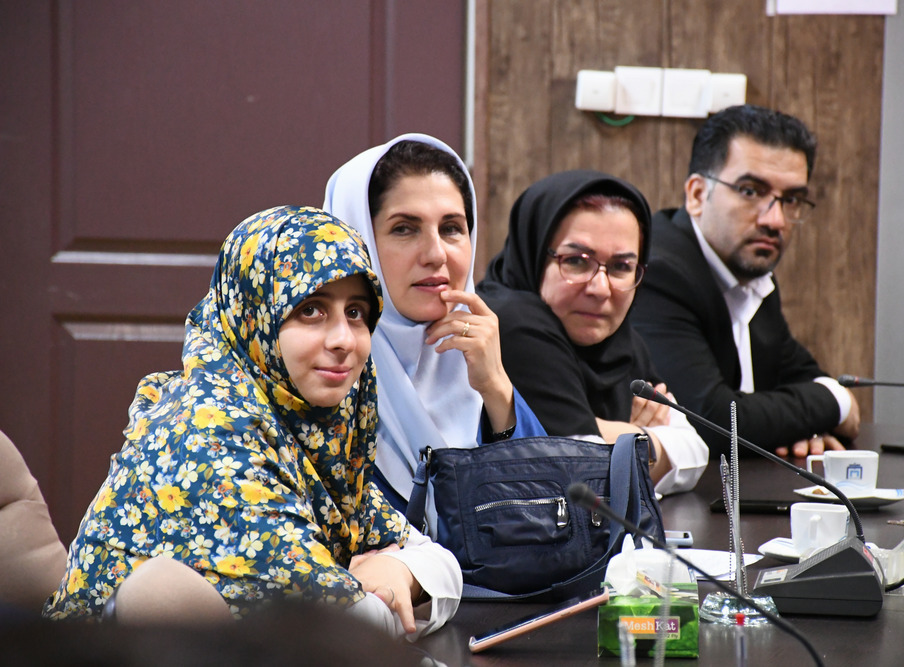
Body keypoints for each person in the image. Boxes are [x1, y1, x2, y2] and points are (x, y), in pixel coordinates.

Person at [43, 206, 461, 639]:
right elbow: (348, 636)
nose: (343, 339)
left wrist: (398, 571)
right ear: (254, 315)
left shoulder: (308, 429)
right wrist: (377, 591)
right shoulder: (209, 435)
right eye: (311, 310)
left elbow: (441, 565)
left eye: (356, 313)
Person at [323, 134, 546, 523]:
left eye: (452, 228)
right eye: (404, 229)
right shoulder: (320, 369)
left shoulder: (477, 361)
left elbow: (546, 514)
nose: (436, 254)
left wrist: (497, 388)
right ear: (357, 239)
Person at [630, 104, 860, 458]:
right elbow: (711, 421)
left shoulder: (750, 274)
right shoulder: (660, 273)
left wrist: (807, 423)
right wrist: (838, 402)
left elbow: (801, 376)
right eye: (751, 191)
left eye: (791, 199)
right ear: (697, 195)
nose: (775, 220)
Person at [477, 170, 708, 495]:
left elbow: (695, 451)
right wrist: (645, 439)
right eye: (576, 261)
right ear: (535, 252)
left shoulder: (621, 343)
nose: (600, 288)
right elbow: (585, 474)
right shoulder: (514, 324)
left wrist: (612, 440)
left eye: (621, 267)